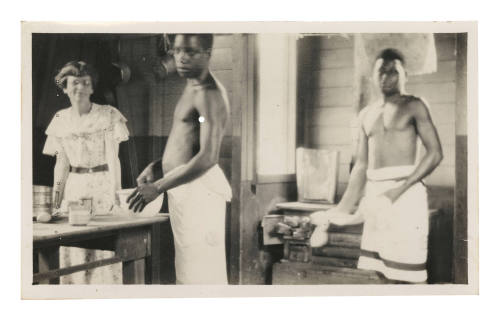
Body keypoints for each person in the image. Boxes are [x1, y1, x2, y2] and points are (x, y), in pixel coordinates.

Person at [310, 49, 443, 284]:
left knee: (409, 273)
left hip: (406, 195)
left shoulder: (415, 105)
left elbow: (435, 154)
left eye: (393, 71)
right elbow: (361, 166)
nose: (386, 77)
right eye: (381, 71)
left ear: (405, 75)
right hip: (375, 195)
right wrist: (341, 209)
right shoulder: (366, 114)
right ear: (373, 75)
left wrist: (399, 190)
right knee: (380, 271)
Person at [127, 34, 232, 284]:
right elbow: (189, 142)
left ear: (208, 53)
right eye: (177, 51)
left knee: (202, 274)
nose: (181, 58)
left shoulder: (210, 94)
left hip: (201, 191)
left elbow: (207, 157)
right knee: (187, 269)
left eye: (191, 52)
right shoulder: (192, 85)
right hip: (182, 187)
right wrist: (158, 166)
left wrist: (158, 186)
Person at [43, 61, 129, 284]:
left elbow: (113, 159)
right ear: (64, 87)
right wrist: (56, 201)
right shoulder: (60, 120)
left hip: (102, 187)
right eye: (74, 83)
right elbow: (61, 165)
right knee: (73, 252)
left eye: (85, 83)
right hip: (74, 189)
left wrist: (115, 196)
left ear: (92, 88)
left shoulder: (109, 115)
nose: (79, 88)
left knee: (104, 251)